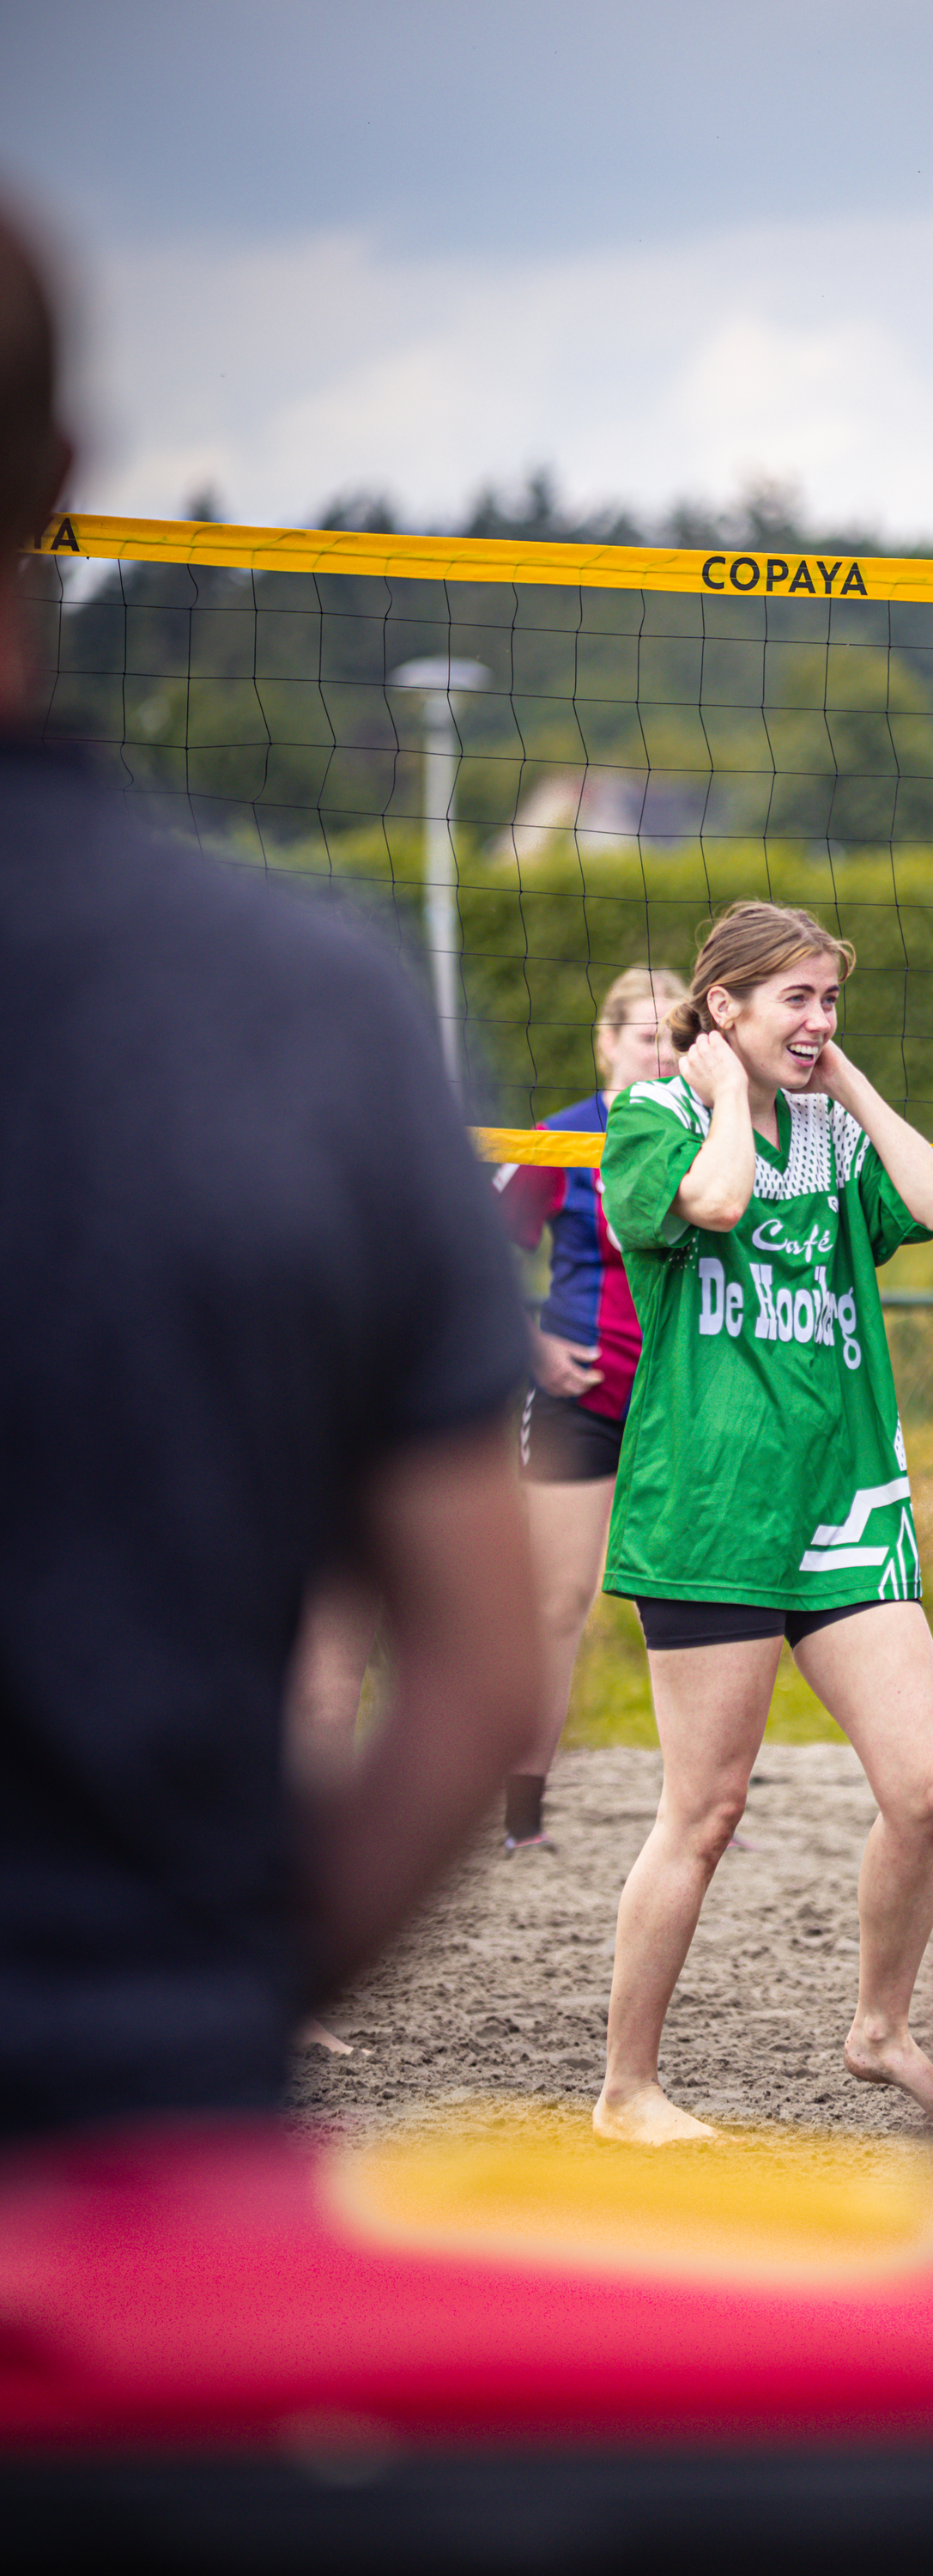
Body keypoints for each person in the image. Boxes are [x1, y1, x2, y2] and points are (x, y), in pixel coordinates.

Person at [0, 203, 542, 2137]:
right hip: (146, 2134)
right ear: (66, 481)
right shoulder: (306, 1010)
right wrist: (177, 2006)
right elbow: (485, 1685)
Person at [593, 901, 933, 2145]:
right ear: (725, 1009)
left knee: (930, 1795)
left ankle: (881, 2028)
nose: (819, 1021)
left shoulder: (834, 1136)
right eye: (796, 1001)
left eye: (830, 1001)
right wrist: (717, 1095)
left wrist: (842, 1079)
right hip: (711, 1510)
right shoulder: (652, 1123)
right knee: (705, 1813)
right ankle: (626, 2092)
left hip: (842, 1506)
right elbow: (707, 1204)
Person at [492, 964, 687, 1848]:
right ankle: (522, 1813)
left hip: (683, 1403)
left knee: (692, 1604)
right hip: (584, 1396)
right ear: (606, 1042)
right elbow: (469, 1248)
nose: (660, 1050)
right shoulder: (562, 1140)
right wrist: (531, 1344)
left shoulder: (708, 1134)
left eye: (675, 1036)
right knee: (556, 1601)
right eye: (644, 1033)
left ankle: (700, 1803)